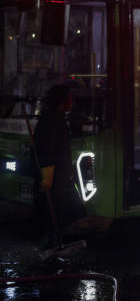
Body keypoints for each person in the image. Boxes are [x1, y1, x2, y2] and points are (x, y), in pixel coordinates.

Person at [32, 84, 87, 252]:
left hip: (60, 177)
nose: (72, 101)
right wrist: (47, 176)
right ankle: (49, 247)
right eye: (69, 98)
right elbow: (47, 151)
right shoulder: (52, 121)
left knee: (62, 211)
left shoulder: (57, 119)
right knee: (53, 212)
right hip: (54, 179)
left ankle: (55, 242)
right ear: (62, 101)